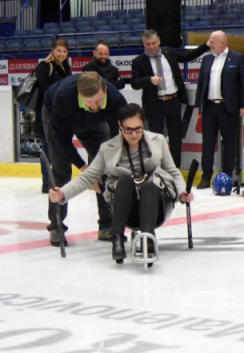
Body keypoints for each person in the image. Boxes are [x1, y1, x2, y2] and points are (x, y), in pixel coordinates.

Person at [48, 104, 192, 262]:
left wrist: (181, 194)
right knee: (124, 180)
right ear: (120, 126)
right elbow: (87, 177)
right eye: (128, 129)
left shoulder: (158, 141)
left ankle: (148, 236)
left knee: (149, 185)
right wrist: (62, 194)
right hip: (124, 204)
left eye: (138, 129)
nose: (134, 134)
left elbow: (172, 171)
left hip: (157, 202)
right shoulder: (107, 148)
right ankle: (117, 236)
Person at [42, 72, 127, 246]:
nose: (94, 105)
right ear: (80, 94)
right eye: (89, 102)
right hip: (58, 118)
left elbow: (116, 136)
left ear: (104, 89)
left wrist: (106, 164)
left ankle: (107, 225)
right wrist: (83, 168)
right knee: (61, 172)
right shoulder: (64, 97)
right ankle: (57, 226)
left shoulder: (116, 100)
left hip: (94, 125)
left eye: (98, 101)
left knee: (105, 170)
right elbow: (62, 140)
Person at [131, 29, 209, 167]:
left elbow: (188, 56)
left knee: (176, 139)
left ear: (159, 41)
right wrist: (149, 80)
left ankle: (175, 170)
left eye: (153, 43)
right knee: (155, 140)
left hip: (173, 101)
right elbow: (134, 83)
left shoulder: (169, 52)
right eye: (147, 44)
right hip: (154, 105)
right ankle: (158, 170)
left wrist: (206, 45)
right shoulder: (139, 61)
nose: (151, 47)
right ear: (144, 44)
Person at [194, 30, 244, 188]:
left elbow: (243, 84)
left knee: (230, 143)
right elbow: (201, 84)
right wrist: (199, 106)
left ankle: (227, 175)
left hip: (228, 108)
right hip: (209, 107)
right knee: (207, 143)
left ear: (223, 43)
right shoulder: (206, 59)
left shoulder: (237, 58)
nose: (209, 44)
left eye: (212, 41)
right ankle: (206, 176)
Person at [34, 37, 72, 193]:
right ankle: (47, 183)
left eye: (64, 51)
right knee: (48, 148)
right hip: (45, 113)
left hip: (61, 113)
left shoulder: (66, 67)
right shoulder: (44, 66)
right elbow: (44, 88)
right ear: (52, 50)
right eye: (59, 50)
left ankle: (59, 180)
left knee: (58, 148)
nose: (61, 54)